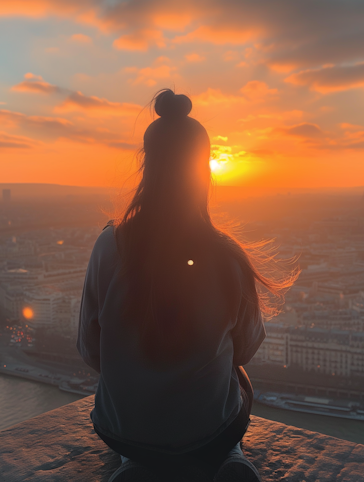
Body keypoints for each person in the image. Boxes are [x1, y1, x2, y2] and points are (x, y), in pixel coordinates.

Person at [78, 89, 293, 481]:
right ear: (204, 171)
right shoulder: (228, 257)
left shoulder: (108, 247)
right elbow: (245, 348)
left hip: (123, 432)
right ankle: (232, 455)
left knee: (133, 416)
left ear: (147, 167)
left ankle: (132, 464)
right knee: (238, 376)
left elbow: (90, 349)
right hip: (208, 434)